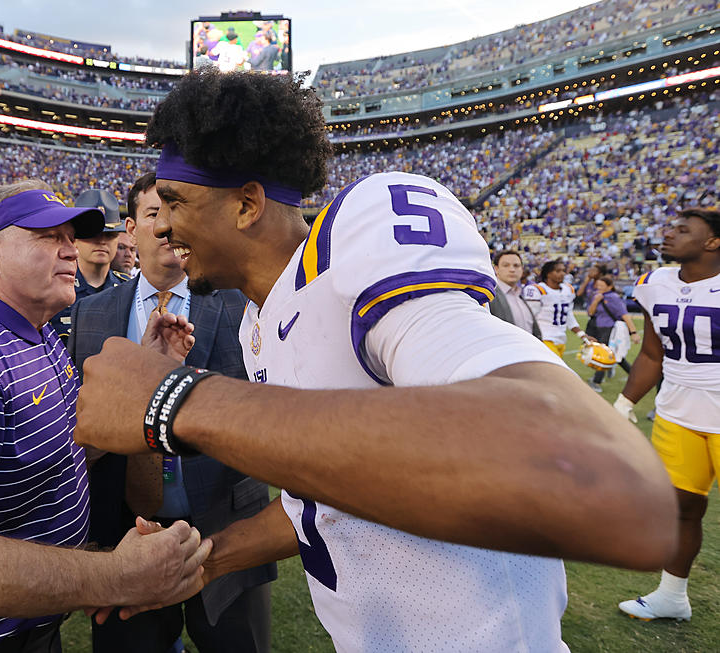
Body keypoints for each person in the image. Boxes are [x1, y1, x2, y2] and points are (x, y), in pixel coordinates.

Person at [73, 71, 677, 650]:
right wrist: (205, 562)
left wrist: (174, 400)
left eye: (175, 202)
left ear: (247, 205)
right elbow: (328, 499)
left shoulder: (355, 234)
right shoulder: (260, 318)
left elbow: (590, 470)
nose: (162, 227)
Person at [0, 180, 212, 652]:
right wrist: (115, 575)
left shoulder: (36, 337)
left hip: (24, 629)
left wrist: (147, 376)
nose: (71, 251)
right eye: (49, 236)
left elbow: (66, 450)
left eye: (70, 238)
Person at [69, 172, 275, 653]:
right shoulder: (91, 313)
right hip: (129, 533)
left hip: (226, 524)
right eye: (153, 214)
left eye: (174, 212)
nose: (166, 227)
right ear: (130, 229)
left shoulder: (238, 301)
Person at [615, 208, 720, 622]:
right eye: (671, 227)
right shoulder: (655, 283)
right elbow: (652, 353)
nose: (669, 234)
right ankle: (672, 596)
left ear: (713, 242)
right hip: (677, 414)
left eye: (682, 230)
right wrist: (624, 404)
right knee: (681, 509)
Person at [51, 188, 129, 340]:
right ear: (75, 240)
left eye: (109, 235)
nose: (101, 241)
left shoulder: (128, 289)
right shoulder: (54, 288)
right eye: (92, 234)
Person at [522, 259, 592, 357]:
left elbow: (568, 315)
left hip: (560, 339)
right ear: (548, 274)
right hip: (544, 338)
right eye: (558, 271)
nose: (562, 274)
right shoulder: (538, 290)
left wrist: (582, 335)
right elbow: (528, 317)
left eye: (563, 271)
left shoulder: (568, 289)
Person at [584, 274, 640, 392]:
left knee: (605, 355)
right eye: (598, 285)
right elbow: (591, 313)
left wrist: (633, 332)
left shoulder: (613, 297)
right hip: (599, 329)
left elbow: (625, 315)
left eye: (602, 285)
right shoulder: (598, 296)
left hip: (610, 330)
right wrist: (596, 301)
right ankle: (636, 376)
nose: (598, 287)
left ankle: (596, 382)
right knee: (616, 357)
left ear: (609, 286)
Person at [489, 249, 541, 337]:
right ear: (496, 269)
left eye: (516, 266)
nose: (512, 269)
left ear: (522, 269)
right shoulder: (489, 296)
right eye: (506, 265)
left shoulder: (519, 295)